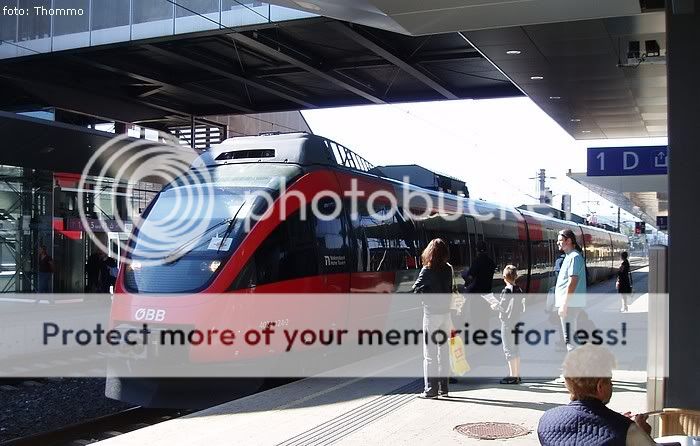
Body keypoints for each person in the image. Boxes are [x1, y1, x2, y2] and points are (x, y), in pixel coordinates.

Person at [537, 345, 655, 445]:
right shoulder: (627, 430)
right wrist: (643, 434)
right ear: (600, 386)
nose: (612, 385)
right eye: (609, 380)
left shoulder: (546, 421)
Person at [413, 238, 453, 399]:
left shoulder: (427, 270)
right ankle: (444, 388)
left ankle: (431, 390)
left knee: (429, 354)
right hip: (446, 314)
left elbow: (416, 289)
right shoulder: (448, 269)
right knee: (443, 352)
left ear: (429, 252)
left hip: (431, 315)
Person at [555, 229, 587, 351]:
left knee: (570, 341)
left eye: (560, 241)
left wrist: (564, 304)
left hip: (570, 304)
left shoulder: (574, 257)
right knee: (571, 339)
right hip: (570, 304)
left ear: (568, 240)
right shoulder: (570, 256)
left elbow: (572, 281)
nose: (558, 243)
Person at [494, 265, 524, 384]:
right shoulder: (518, 289)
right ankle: (517, 374)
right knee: (515, 348)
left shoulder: (506, 290)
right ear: (516, 276)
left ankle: (512, 376)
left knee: (508, 349)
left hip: (507, 323)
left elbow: (503, 307)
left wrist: (494, 305)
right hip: (517, 322)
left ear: (504, 277)